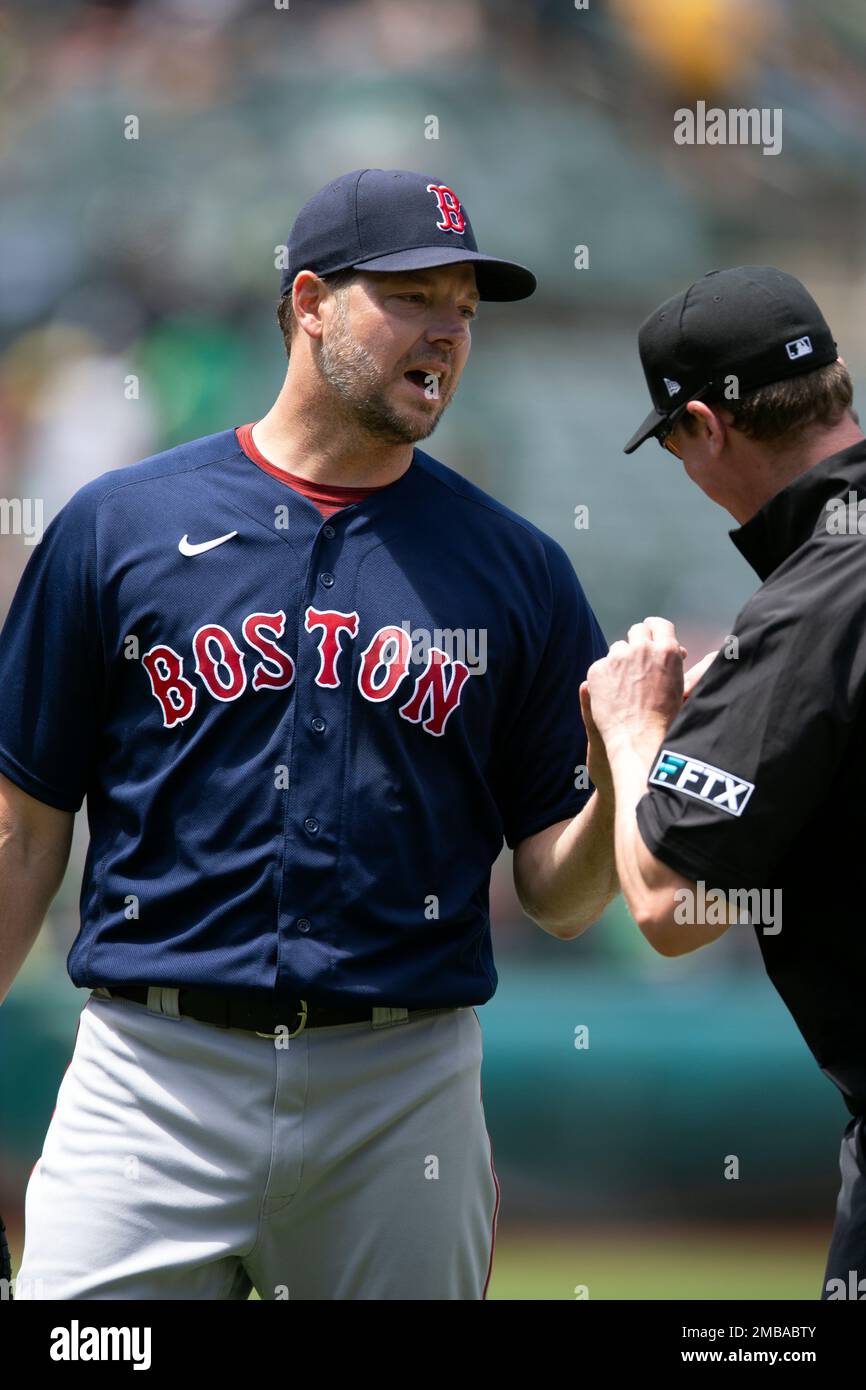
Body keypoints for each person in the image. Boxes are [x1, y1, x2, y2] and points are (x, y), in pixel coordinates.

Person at [2, 168, 617, 1300]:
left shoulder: (518, 569)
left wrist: (615, 800)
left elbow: (559, 895)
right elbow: (25, 833)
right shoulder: (118, 527)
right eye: (413, 294)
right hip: (153, 1068)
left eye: (464, 307)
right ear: (309, 303)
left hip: (399, 1084)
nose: (446, 329)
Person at [583, 265, 866, 1300]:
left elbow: (669, 902)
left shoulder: (808, 604)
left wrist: (634, 729)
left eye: (669, 438)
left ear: (703, 426)